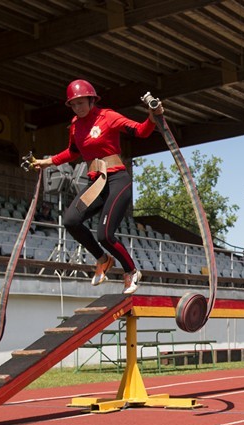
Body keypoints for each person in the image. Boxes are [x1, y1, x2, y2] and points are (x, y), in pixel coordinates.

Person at [32, 79, 164, 294]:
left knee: (105, 235)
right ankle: (103, 259)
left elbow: (141, 132)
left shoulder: (108, 117)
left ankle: (131, 271)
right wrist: (46, 162)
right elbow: (73, 152)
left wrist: (152, 116)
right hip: (97, 183)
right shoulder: (75, 126)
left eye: (81, 103)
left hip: (117, 180)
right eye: (73, 105)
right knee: (71, 220)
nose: (77, 108)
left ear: (92, 100)